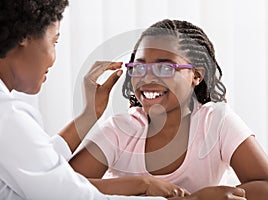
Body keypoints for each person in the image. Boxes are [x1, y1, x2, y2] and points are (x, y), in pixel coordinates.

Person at [69, 19, 268, 200]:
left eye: (165, 67)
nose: (147, 77)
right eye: (140, 67)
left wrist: (199, 198)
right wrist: (142, 184)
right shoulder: (120, 129)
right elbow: (62, 188)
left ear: (196, 75)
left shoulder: (216, 122)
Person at [0, 1, 168, 200]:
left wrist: (90, 114)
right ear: (23, 37)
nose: (54, 58)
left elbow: (35, 165)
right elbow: (67, 194)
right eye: (54, 41)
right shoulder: (7, 115)